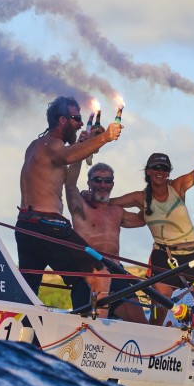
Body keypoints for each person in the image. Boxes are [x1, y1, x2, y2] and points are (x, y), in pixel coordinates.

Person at [110, 125, 194, 330]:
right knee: (159, 311)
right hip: (164, 258)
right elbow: (110, 203)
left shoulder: (177, 186)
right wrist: (87, 196)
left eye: (164, 169)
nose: (160, 172)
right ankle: (154, 346)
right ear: (148, 171)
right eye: (156, 168)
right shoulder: (140, 198)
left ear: (168, 173)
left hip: (192, 256)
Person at [16, 96, 123, 312]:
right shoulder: (52, 145)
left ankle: (23, 335)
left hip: (27, 226)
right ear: (63, 120)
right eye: (77, 119)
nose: (81, 124)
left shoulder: (37, 146)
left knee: (27, 291)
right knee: (100, 276)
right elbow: (66, 155)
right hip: (49, 226)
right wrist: (104, 138)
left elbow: (70, 180)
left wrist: (84, 146)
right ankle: (94, 335)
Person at [65, 159, 146, 322]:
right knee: (91, 325)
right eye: (98, 180)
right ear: (89, 182)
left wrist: (131, 199)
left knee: (140, 321)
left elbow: (142, 219)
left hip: (116, 271)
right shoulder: (80, 206)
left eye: (107, 181)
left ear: (112, 184)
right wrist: (83, 151)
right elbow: (70, 184)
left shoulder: (117, 211)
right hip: (89, 272)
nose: (103, 185)